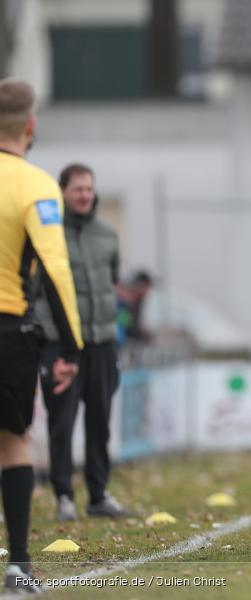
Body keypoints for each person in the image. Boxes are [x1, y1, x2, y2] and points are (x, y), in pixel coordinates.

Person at [0, 79, 83, 592]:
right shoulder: (34, 184)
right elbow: (55, 269)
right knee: (13, 442)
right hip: (9, 326)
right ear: (31, 126)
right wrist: (71, 346)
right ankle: (18, 564)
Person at [34, 163, 134, 521]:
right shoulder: (48, 234)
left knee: (100, 420)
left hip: (103, 343)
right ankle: (63, 495)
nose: (84, 195)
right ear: (62, 192)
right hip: (62, 345)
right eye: (77, 189)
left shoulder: (107, 233)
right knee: (61, 422)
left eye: (88, 189)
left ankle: (99, 493)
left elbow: (111, 280)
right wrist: (52, 337)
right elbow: (40, 292)